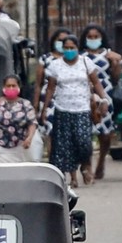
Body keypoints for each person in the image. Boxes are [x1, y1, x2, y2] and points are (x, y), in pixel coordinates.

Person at [41, 34, 108, 187]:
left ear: (78, 48)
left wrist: (104, 99)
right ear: (62, 49)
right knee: (65, 145)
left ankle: (85, 164)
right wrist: (45, 109)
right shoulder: (55, 65)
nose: (69, 51)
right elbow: (51, 88)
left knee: (83, 142)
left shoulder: (85, 62)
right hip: (62, 109)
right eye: (66, 48)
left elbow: (96, 82)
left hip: (82, 109)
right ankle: (73, 178)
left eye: (72, 48)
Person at [81, 24, 122, 180]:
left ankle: (101, 163)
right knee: (85, 134)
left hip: (105, 94)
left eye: (96, 37)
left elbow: (116, 78)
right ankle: (88, 166)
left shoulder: (108, 54)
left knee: (105, 133)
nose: (93, 40)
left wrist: (116, 64)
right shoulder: (81, 56)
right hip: (85, 96)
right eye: (90, 37)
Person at [0, 74, 37, 164]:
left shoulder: (25, 104)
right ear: (3, 87)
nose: (11, 88)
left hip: (20, 148)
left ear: (19, 87)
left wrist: (29, 138)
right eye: (8, 86)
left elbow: (32, 123)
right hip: (0, 148)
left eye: (13, 86)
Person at [34, 27, 72, 160]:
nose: (62, 43)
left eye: (65, 41)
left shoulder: (73, 59)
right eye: (59, 40)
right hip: (48, 102)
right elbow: (38, 84)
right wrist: (36, 106)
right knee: (51, 133)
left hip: (69, 100)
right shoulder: (45, 59)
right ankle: (53, 165)